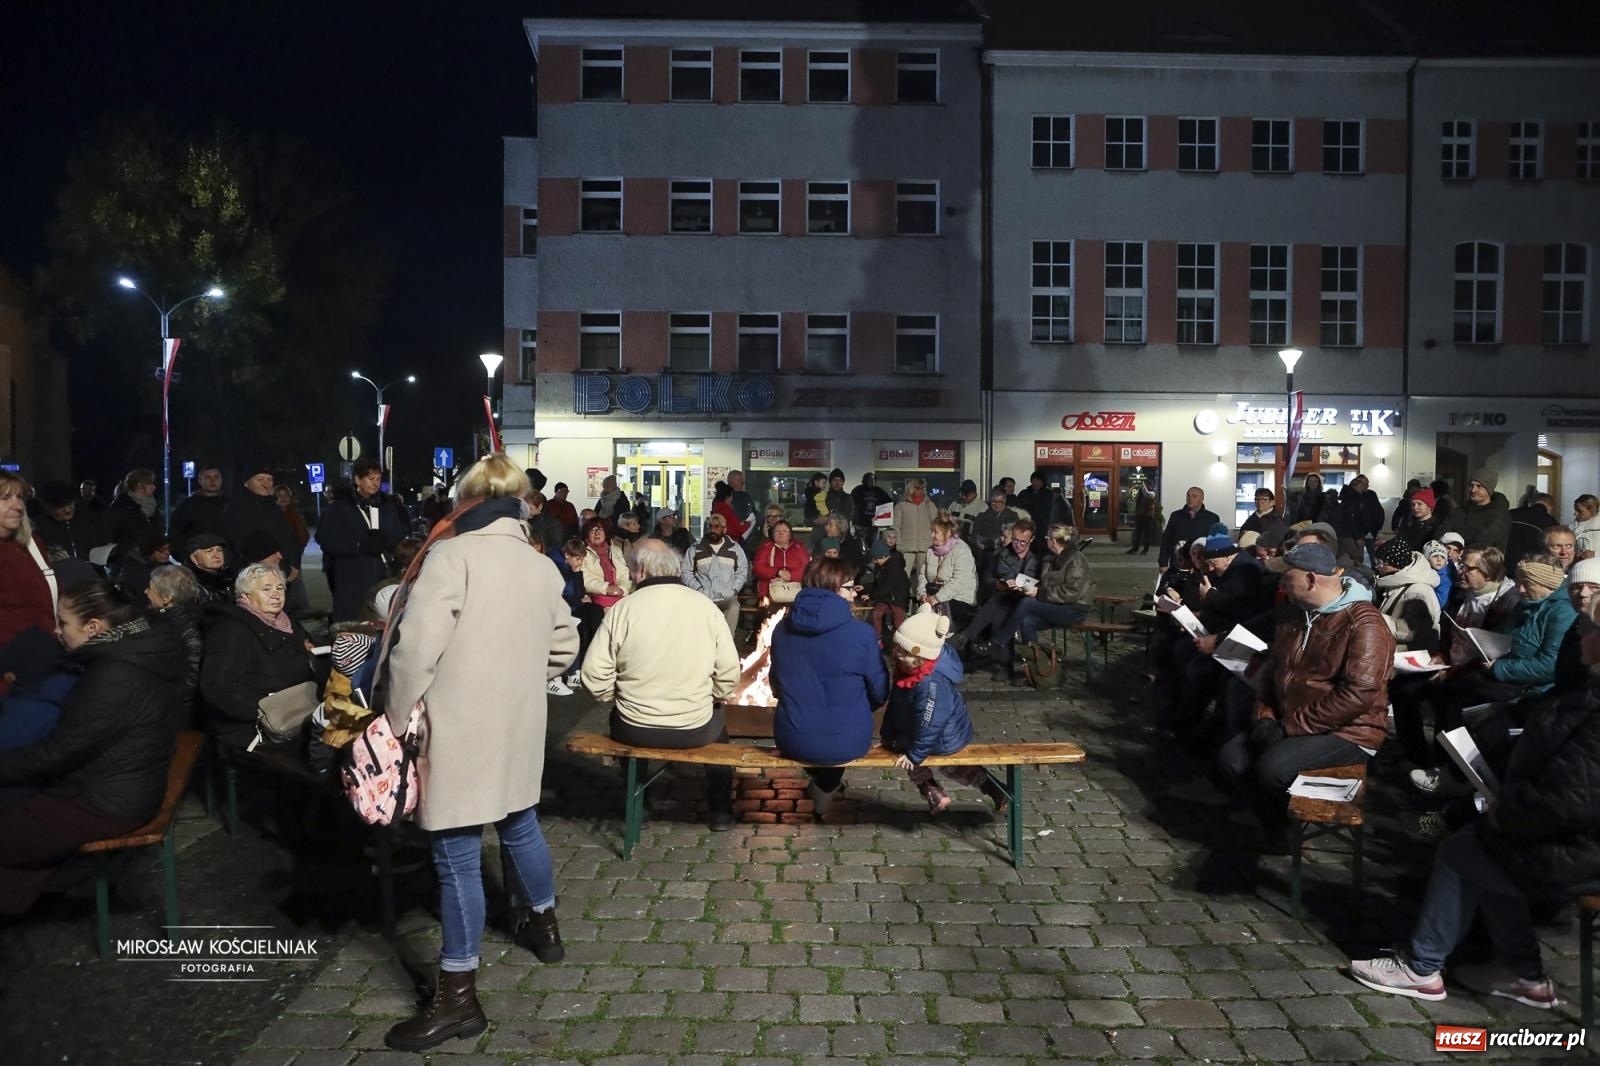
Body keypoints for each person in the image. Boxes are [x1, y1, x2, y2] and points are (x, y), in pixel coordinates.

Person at [380, 456, 579, 1052]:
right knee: (520, 824)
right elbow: (565, 643)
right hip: (516, 719)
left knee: (458, 857)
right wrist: (520, 676)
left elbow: (414, 652)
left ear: (466, 500)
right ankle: (544, 928)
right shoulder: (537, 563)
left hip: (459, 722)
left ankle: (459, 996)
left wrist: (393, 719)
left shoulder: (452, 555)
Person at [1348, 596, 1600, 1008]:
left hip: (1580, 848)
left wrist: (1507, 808)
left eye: (1589, 630)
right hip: (1570, 835)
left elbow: (1571, 800)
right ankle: (1525, 975)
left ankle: (1421, 967)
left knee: (1462, 852)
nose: (1581, 635)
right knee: (1479, 851)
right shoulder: (1589, 691)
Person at [0, 580, 182, 916]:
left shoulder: (114, 672)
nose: (56, 631)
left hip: (108, 801)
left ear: (93, 627)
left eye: (63, 623)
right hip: (125, 784)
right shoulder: (138, 647)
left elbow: (58, 752)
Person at [1217, 543, 1393, 840]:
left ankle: (1286, 831)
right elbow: (1272, 672)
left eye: (1287, 576)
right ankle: (1278, 827)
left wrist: (1286, 728)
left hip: (1350, 731)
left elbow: (1357, 695)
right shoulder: (1295, 616)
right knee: (1231, 759)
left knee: (1272, 769)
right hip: (1294, 721)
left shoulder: (1364, 623)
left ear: (1311, 580)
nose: (1282, 583)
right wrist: (1264, 716)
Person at [582, 538, 740, 829]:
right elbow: (729, 671)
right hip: (695, 727)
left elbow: (593, 674)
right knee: (721, 730)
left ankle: (638, 808)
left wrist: (616, 696)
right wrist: (714, 695)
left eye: (631, 570)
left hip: (635, 728)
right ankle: (720, 811)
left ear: (641, 570)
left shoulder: (623, 609)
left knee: (621, 719)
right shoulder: (705, 607)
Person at [1406, 554, 1577, 795]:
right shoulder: (1526, 604)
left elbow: (1550, 664)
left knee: (1468, 706)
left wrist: (1499, 668)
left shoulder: (1561, 613)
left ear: (1546, 585)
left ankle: (1456, 776)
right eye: (1519, 582)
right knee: (1447, 692)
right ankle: (1446, 764)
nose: (1519, 589)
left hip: (1526, 684)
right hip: (1502, 670)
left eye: (1527, 584)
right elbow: (1502, 633)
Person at [769, 557, 890, 816]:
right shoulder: (862, 634)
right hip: (849, 739)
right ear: (835, 589)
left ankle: (826, 783)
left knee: (823, 731)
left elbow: (776, 687)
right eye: (850, 587)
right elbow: (880, 691)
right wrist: (855, 707)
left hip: (791, 737)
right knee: (836, 732)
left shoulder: (781, 630)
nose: (854, 593)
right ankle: (826, 785)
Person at [1391, 547, 1520, 785]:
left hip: (1477, 672)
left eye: (1468, 568)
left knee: (1450, 700)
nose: (1461, 571)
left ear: (1488, 573)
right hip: (1451, 664)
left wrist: (1451, 672)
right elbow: (1449, 631)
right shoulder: (1463, 593)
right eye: (1461, 565)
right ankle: (1416, 756)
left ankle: (1445, 769)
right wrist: (1440, 655)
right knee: (1401, 689)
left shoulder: (1506, 603)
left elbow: (1491, 651)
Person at [881, 606, 1008, 815]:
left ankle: (995, 790)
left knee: (943, 764)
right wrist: (889, 733)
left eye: (903, 651)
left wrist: (915, 754)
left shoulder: (931, 682)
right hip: (921, 731)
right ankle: (934, 792)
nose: (896, 654)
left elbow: (931, 722)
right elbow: (897, 701)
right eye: (897, 648)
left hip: (943, 736)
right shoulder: (911, 666)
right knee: (904, 751)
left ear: (920, 656)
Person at [198, 563, 317, 751]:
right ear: (246, 596)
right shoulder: (232, 629)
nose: (276, 595)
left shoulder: (286, 623)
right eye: (266, 589)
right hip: (255, 734)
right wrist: (263, 713)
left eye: (280, 588)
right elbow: (217, 687)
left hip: (295, 720)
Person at [992, 523, 1094, 679]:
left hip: (1075, 609)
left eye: (1047, 538)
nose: (1046, 540)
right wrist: (1024, 585)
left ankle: (998, 641)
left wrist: (1039, 592)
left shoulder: (1076, 561)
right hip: (1056, 605)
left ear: (1053, 541)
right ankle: (1036, 670)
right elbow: (1045, 585)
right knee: (1027, 621)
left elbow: (1072, 592)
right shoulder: (1050, 558)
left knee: (1027, 603)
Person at [316, 459, 411, 623]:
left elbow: (399, 533)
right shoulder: (339, 508)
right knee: (354, 620)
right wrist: (360, 546)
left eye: (378, 479)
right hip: (351, 576)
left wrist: (386, 540)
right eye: (370, 478)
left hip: (382, 574)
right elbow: (326, 540)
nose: (375, 483)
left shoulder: (387, 506)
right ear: (357, 479)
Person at [222, 464, 303, 610]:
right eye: (260, 479)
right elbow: (237, 544)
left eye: (269, 479)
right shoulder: (235, 508)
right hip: (253, 577)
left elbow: (290, 538)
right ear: (247, 482)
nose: (266, 484)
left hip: (281, 575)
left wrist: (295, 564)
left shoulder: (274, 507)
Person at [0, 470, 57, 653]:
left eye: (19, 497)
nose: (17, 505)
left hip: (47, 656)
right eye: (5, 498)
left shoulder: (32, 544)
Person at [145, 563, 205, 724]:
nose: (146, 592)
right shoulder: (166, 620)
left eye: (150, 588)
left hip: (178, 715)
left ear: (166, 598)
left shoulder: (186, 629)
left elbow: (191, 680)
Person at [682, 512, 748, 639]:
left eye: (717, 527)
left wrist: (733, 589)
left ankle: (727, 642)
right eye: (710, 526)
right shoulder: (695, 549)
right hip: (703, 596)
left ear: (724, 529)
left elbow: (742, 571)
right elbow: (686, 572)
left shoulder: (735, 549)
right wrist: (699, 589)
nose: (713, 530)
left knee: (734, 607)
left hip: (727, 595)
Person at [1372, 536, 1441, 652]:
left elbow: (1413, 630)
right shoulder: (1396, 583)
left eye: (1381, 563)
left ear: (1395, 564)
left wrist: (1372, 619)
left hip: (1407, 655)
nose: (1378, 567)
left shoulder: (1418, 591)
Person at [914, 515, 978, 630]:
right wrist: (922, 594)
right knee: (921, 616)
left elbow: (959, 582)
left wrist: (937, 598)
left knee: (933, 619)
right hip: (934, 594)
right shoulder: (930, 550)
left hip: (959, 598)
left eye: (936, 532)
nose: (932, 535)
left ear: (947, 533)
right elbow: (923, 575)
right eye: (932, 531)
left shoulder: (962, 551)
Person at [33, 480, 110, 563]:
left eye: (70, 503)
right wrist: (48, 558)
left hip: (93, 573)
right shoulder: (38, 527)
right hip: (60, 573)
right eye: (61, 507)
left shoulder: (90, 519)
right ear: (49, 507)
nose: (67, 509)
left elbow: (105, 543)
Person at [1444, 468, 1511, 552]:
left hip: (1484, 562)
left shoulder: (1500, 515)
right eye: (1471, 485)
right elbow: (1443, 530)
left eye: (1479, 486)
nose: (1473, 490)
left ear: (1489, 489)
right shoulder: (1459, 511)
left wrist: (1457, 548)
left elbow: (1484, 540)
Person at [1157, 486, 1220, 572]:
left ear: (1202, 499)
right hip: (1177, 564)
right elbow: (1166, 540)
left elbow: (1216, 544)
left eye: (1194, 496)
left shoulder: (1212, 518)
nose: (1190, 498)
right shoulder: (1176, 516)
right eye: (1188, 496)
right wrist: (1163, 563)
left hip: (1201, 566)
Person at [866, 531, 911, 645]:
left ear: (883, 556)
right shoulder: (881, 565)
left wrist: (872, 596)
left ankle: (900, 643)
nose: (875, 562)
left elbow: (887, 585)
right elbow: (879, 584)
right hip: (886, 596)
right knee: (877, 613)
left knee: (898, 621)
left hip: (898, 597)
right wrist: (866, 589)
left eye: (876, 559)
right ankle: (878, 639)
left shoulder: (894, 565)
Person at [893, 477, 939, 586]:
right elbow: (896, 526)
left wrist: (934, 543)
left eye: (923, 488)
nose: (921, 490)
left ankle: (921, 601)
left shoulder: (929, 505)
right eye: (918, 488)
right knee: (901, 578)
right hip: (906, 547)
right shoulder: (901, 505)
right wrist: (899, 544)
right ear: (911, 488)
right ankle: (902, 602)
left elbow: (936, 525)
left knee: (924, 579)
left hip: (925, 547)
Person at [169, 463, 229, 546]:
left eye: (216, 477)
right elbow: (175, 533)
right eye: (208, 477)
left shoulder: (230, 504)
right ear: (200, 481)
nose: (212, 480)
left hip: (226, 554)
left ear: (221, 480)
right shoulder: (187, 505)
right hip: (197, 555)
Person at [751, 519, 809, 603]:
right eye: (777, 531)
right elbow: (758, 567)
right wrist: (777, 573)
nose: (781, 533)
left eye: (785, 531)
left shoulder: (799, 548)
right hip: (769, 590)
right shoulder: (765, 547)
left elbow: (807, 568)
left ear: (790, 535)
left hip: (795, 589)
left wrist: (790, 576)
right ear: (773, 534)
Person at [580, 518, 631, 609]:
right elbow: (584, 578)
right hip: (595, 599)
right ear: (586, 533)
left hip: (619, 597)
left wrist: (622, 589)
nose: (597, 533)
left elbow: (624, 573)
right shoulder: (581, 552)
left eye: (600, 530)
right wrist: (606, 588)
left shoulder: (616, 550)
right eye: (592, 530)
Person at [106, 469, 159, 549]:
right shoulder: (122, 506)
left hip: (149, 558)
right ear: (139, 485)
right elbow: (110, 536)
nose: (154, 487)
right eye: (149, 483)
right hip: (129, 559)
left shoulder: (153, 508)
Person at [1505, 492, 1557, 572]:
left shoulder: (1511, 513)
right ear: (1550, 507)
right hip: (1532, 569)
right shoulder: (1552, 523)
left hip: (1504, 564)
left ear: (1531, 503)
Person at [182, 531, 236, 602]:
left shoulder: (231, 579)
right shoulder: (188, 585)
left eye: (219, 550)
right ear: (194, 558)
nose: (216, 556)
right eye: (209, 551)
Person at [1399, 487, 1448, 552]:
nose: (1415, 507)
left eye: (1419, 504)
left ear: (1429, 506)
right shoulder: (1408, 526)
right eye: (1413, 504)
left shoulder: (1438, 527)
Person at [726, 469, 760, 556]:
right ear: (733, 481)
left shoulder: (720, 498)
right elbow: (753, 516)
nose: (743, 483)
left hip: (738, 540)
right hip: (739, 539)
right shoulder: (745, 498)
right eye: (741, 481)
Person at [851, 473, 891, 544]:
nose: (872, 481)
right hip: (860, 524)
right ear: (864, 480)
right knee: (859, 544)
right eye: (869, 479)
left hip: (874, 524)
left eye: (873, 479)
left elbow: (889, 502)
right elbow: (851, 504)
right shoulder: (857, 490)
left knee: (872, 544)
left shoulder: (879, 491)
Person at [276, 484, 310, 553]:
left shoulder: (296, 515)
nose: (283, 498)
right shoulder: (270, 516)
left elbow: (304, 534)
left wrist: (300, 549)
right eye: (279, 496)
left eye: (286, 496)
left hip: (294, 555)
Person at [1422, 540, 1454, 609]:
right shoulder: (1423, 571)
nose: (1439, 559)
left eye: (1443, 557)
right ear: (1427, 558)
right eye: (1435, 556)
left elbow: (1440, 602)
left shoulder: (1445, 579)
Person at [1572, 494, 1600, 560]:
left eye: (1579, 511)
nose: (1575, 513)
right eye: (1575, 510)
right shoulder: (1572, 526)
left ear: (1592, 510)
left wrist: (1595, 554)